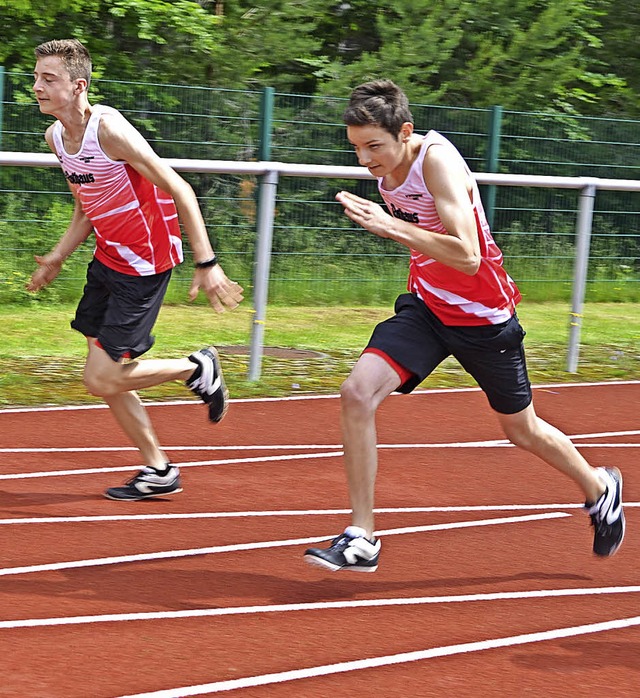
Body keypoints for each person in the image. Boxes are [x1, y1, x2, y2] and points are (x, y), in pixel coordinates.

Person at [304, 80, 624, 572]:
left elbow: (469, 256)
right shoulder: (386, 167)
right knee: (356, 393)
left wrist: (391, 226)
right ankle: (361, 536)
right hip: (428, 310)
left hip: (484, 318)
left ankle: (599, 488)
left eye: (374, 147)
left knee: (522, 428)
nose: (365, 160)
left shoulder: (437, 160)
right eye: (356, 148)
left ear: (405, 132)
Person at [28, 39, 244, 501]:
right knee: (107, 375)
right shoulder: (54, 139)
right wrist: (58, 257)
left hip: (143, 265)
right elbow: (88, 207)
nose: (37, 87)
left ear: (78, 85)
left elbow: (181, 188)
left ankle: (195, 367)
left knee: (100, 378)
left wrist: (207, 262)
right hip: (107, 258)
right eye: (36, 77)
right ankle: (158, 467)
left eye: (49, 79)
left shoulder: (110, 131)